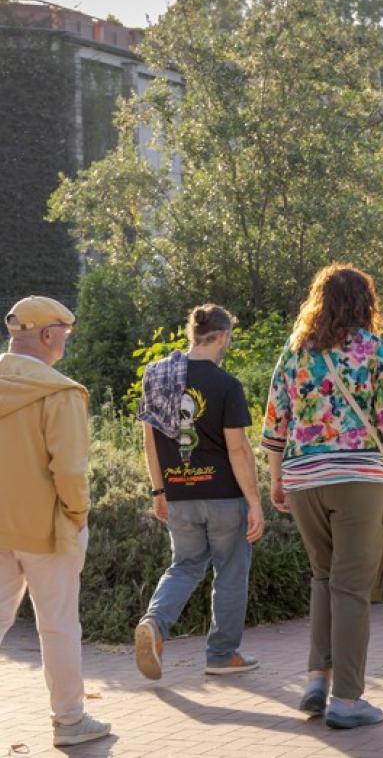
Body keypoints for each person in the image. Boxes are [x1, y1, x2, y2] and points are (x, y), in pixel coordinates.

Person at [262, 264, 383, 729]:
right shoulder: (372, 348)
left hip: (303, 476)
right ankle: (347, 699)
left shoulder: (296, 349)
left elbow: (274, 419)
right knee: (350, 587)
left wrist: (276, 478)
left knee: (323, 577)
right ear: (364, 303)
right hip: (357, 478)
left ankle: (315, 681)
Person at [0, 296, 111, 747]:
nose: (66, 338)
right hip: (48, 529)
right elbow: (68, 469)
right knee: (59, 625)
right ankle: (69, 722)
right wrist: (78, 517)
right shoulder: (60, 392)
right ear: (47, 335)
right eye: (65, 331)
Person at [134, 305, 265, 683]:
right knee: (230, 570)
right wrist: (254, 502)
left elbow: (150, 440)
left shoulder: (158, 378)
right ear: (222, 336)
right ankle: (222, 655)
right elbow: (238, 449)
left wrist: (159, 489)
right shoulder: (226, 385)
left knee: (185, 565)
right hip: (224, 495)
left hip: (178, 493)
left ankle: (155, 624)